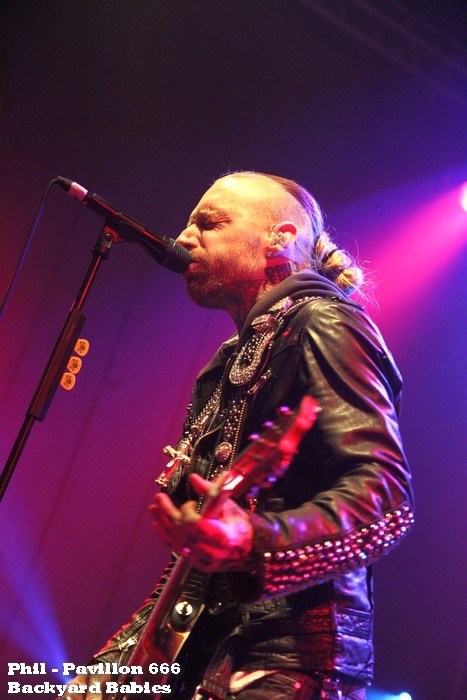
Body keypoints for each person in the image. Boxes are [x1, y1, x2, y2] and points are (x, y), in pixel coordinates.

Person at [62, 171, 414, 700]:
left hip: (287, 661)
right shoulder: (227, 361)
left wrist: (255, 542)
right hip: (205, 650)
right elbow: (195, 570)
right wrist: (112, 670)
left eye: (209, 223)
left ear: (279, 238)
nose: (185, 237)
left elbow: (386, 500)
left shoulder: (324, 323)